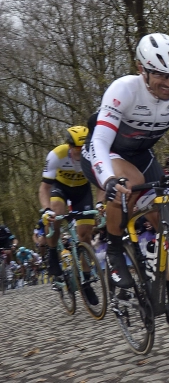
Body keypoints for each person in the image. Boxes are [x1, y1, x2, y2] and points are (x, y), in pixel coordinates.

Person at [81, 33, 169, 290]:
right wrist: (108, 180)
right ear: (142, 70)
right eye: (161, 75)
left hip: (140, 156)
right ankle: (115, 253)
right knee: (131, 182)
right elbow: (101, 143)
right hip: (103, 152)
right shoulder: (123, 89)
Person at [39, 125, 100, 302]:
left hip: (82, 191)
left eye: (84, 148)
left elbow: (101, 184)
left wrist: (100, 204)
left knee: (85, 235)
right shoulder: (56, 155)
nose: (80, 152)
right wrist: (46, 209)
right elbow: (44, 188)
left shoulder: (93, 154)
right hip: (60, 188)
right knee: (55, 214)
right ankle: (52, 254)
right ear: (69, 146)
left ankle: (87, 282)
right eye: (76, 148)